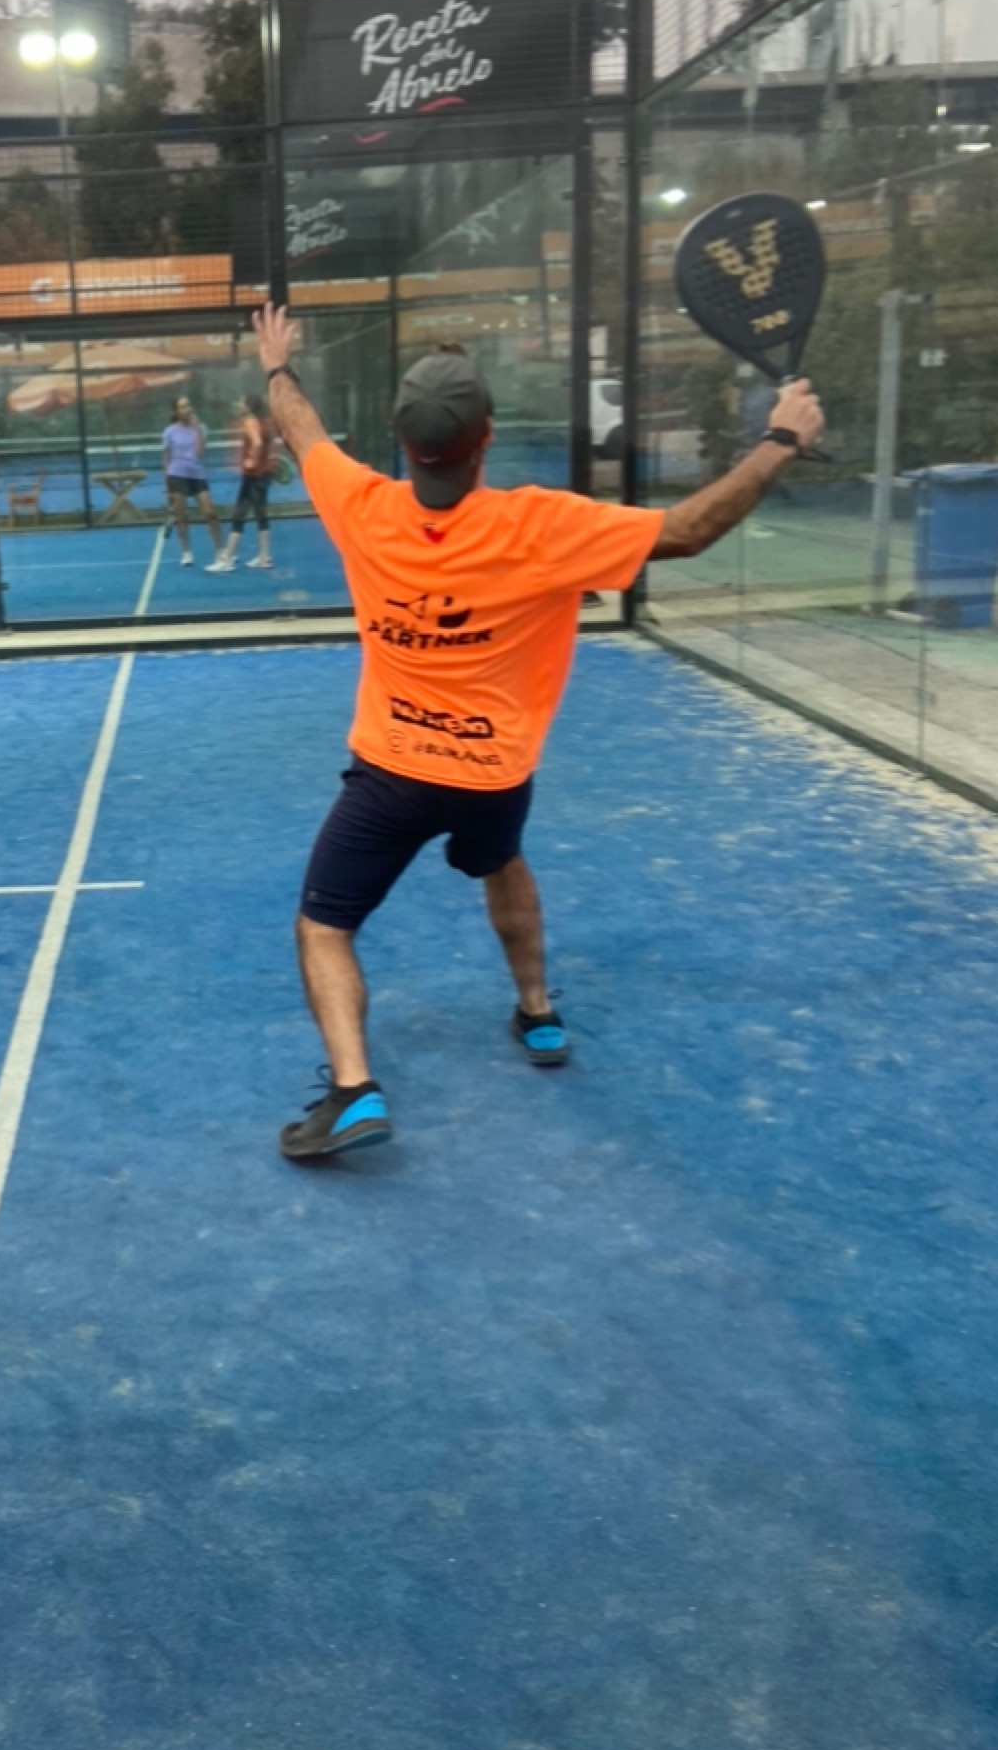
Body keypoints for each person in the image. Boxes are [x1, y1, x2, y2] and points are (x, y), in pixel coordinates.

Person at [249, 302, 826, 1161]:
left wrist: (276, 362)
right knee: (502, 862)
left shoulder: (360, 506)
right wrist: (781, 438)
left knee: (323, 927)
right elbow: (690, 529)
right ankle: (537, 1011)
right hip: (494, 778)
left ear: (401, 441)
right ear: (485, 438)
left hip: (390, 777)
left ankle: (354, 1090)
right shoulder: (544, 526)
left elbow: (302, 431)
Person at [210, 394, 276, 571]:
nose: (238, 404)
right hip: (264, 474)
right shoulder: (263, 422)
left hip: (253, 476)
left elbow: (257, 443)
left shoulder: (250, 421)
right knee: (261, 514)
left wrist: (251, 460)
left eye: (241, 402)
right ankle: (264, 557)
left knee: (239, 514)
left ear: (249, 406)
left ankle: (227, 560)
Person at [161, 396, 222, 567]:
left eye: (188, 405)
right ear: (176, 411)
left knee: (211, 513)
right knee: (181, 516)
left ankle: (221, 551)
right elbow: (166, 459)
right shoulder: (169, 431)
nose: (186, 409)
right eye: (182, 407)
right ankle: (186, 552)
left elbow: (200, 452)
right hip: (176, 475)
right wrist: (167, 486)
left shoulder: (201, 428)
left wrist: (196, 429)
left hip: (197, 475)